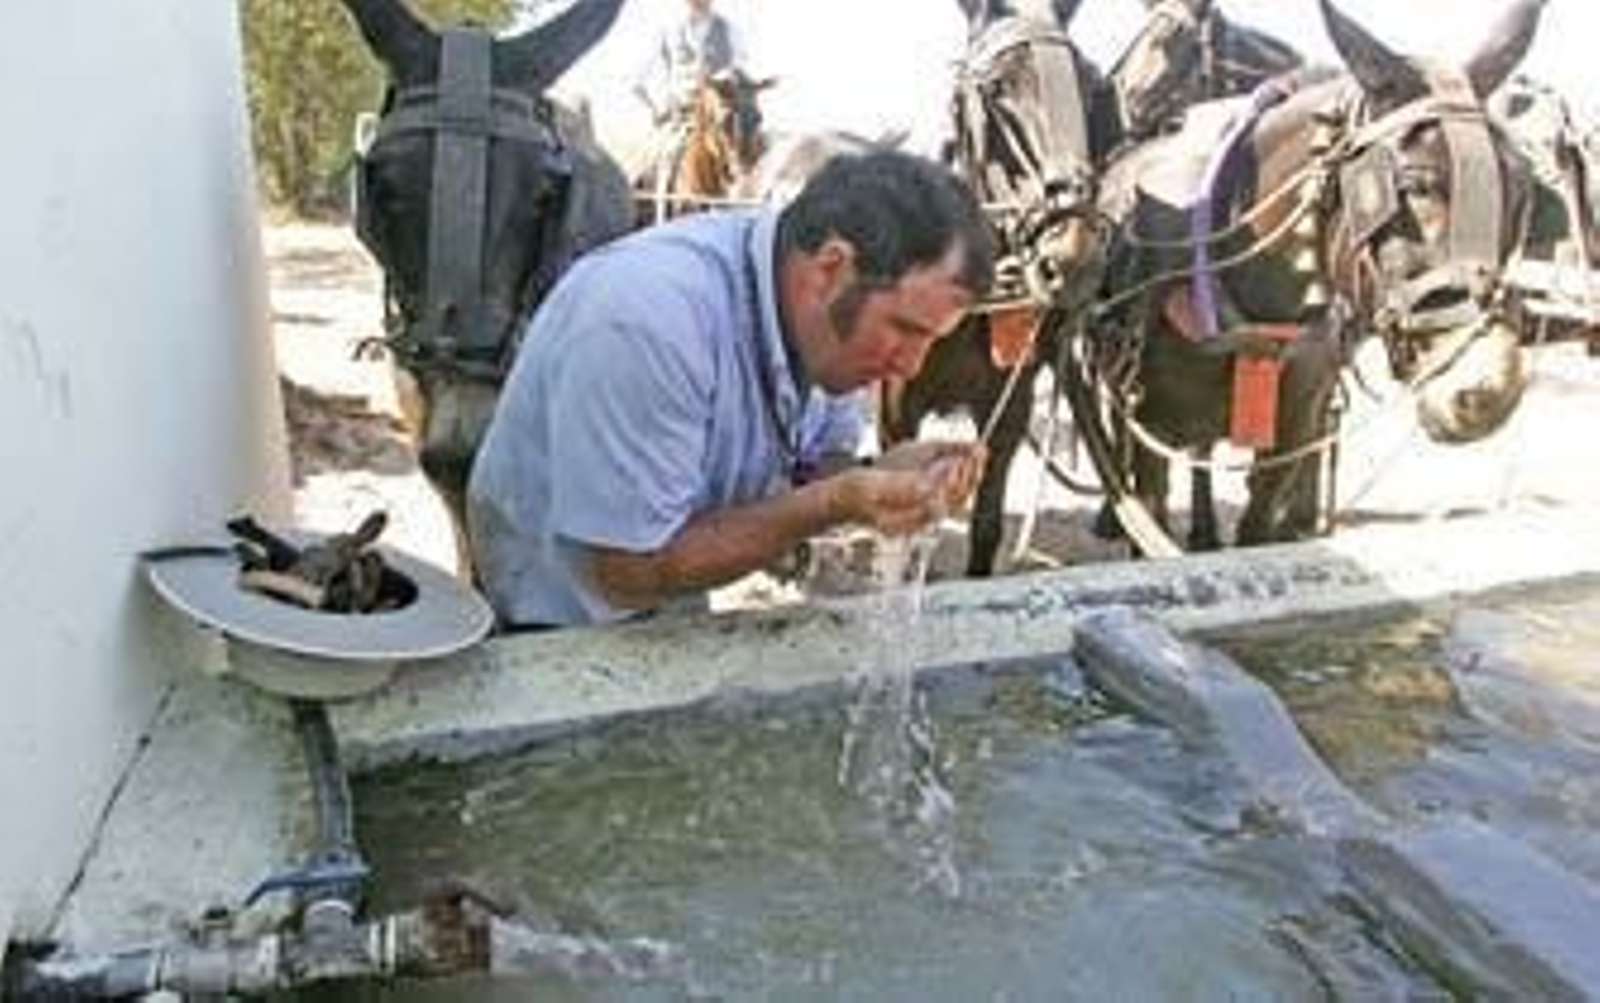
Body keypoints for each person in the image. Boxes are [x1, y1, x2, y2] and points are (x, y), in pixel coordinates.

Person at [466, 150, 996, 629]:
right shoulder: (650, 320)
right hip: (555, 635)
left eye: (931, 340)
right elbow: (626, 572)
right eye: (903, 329)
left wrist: (882, 475)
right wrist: (834, 503)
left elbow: (812, 469)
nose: (910, 366)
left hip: (668, 613)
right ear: (830, 269)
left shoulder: (829, 329)